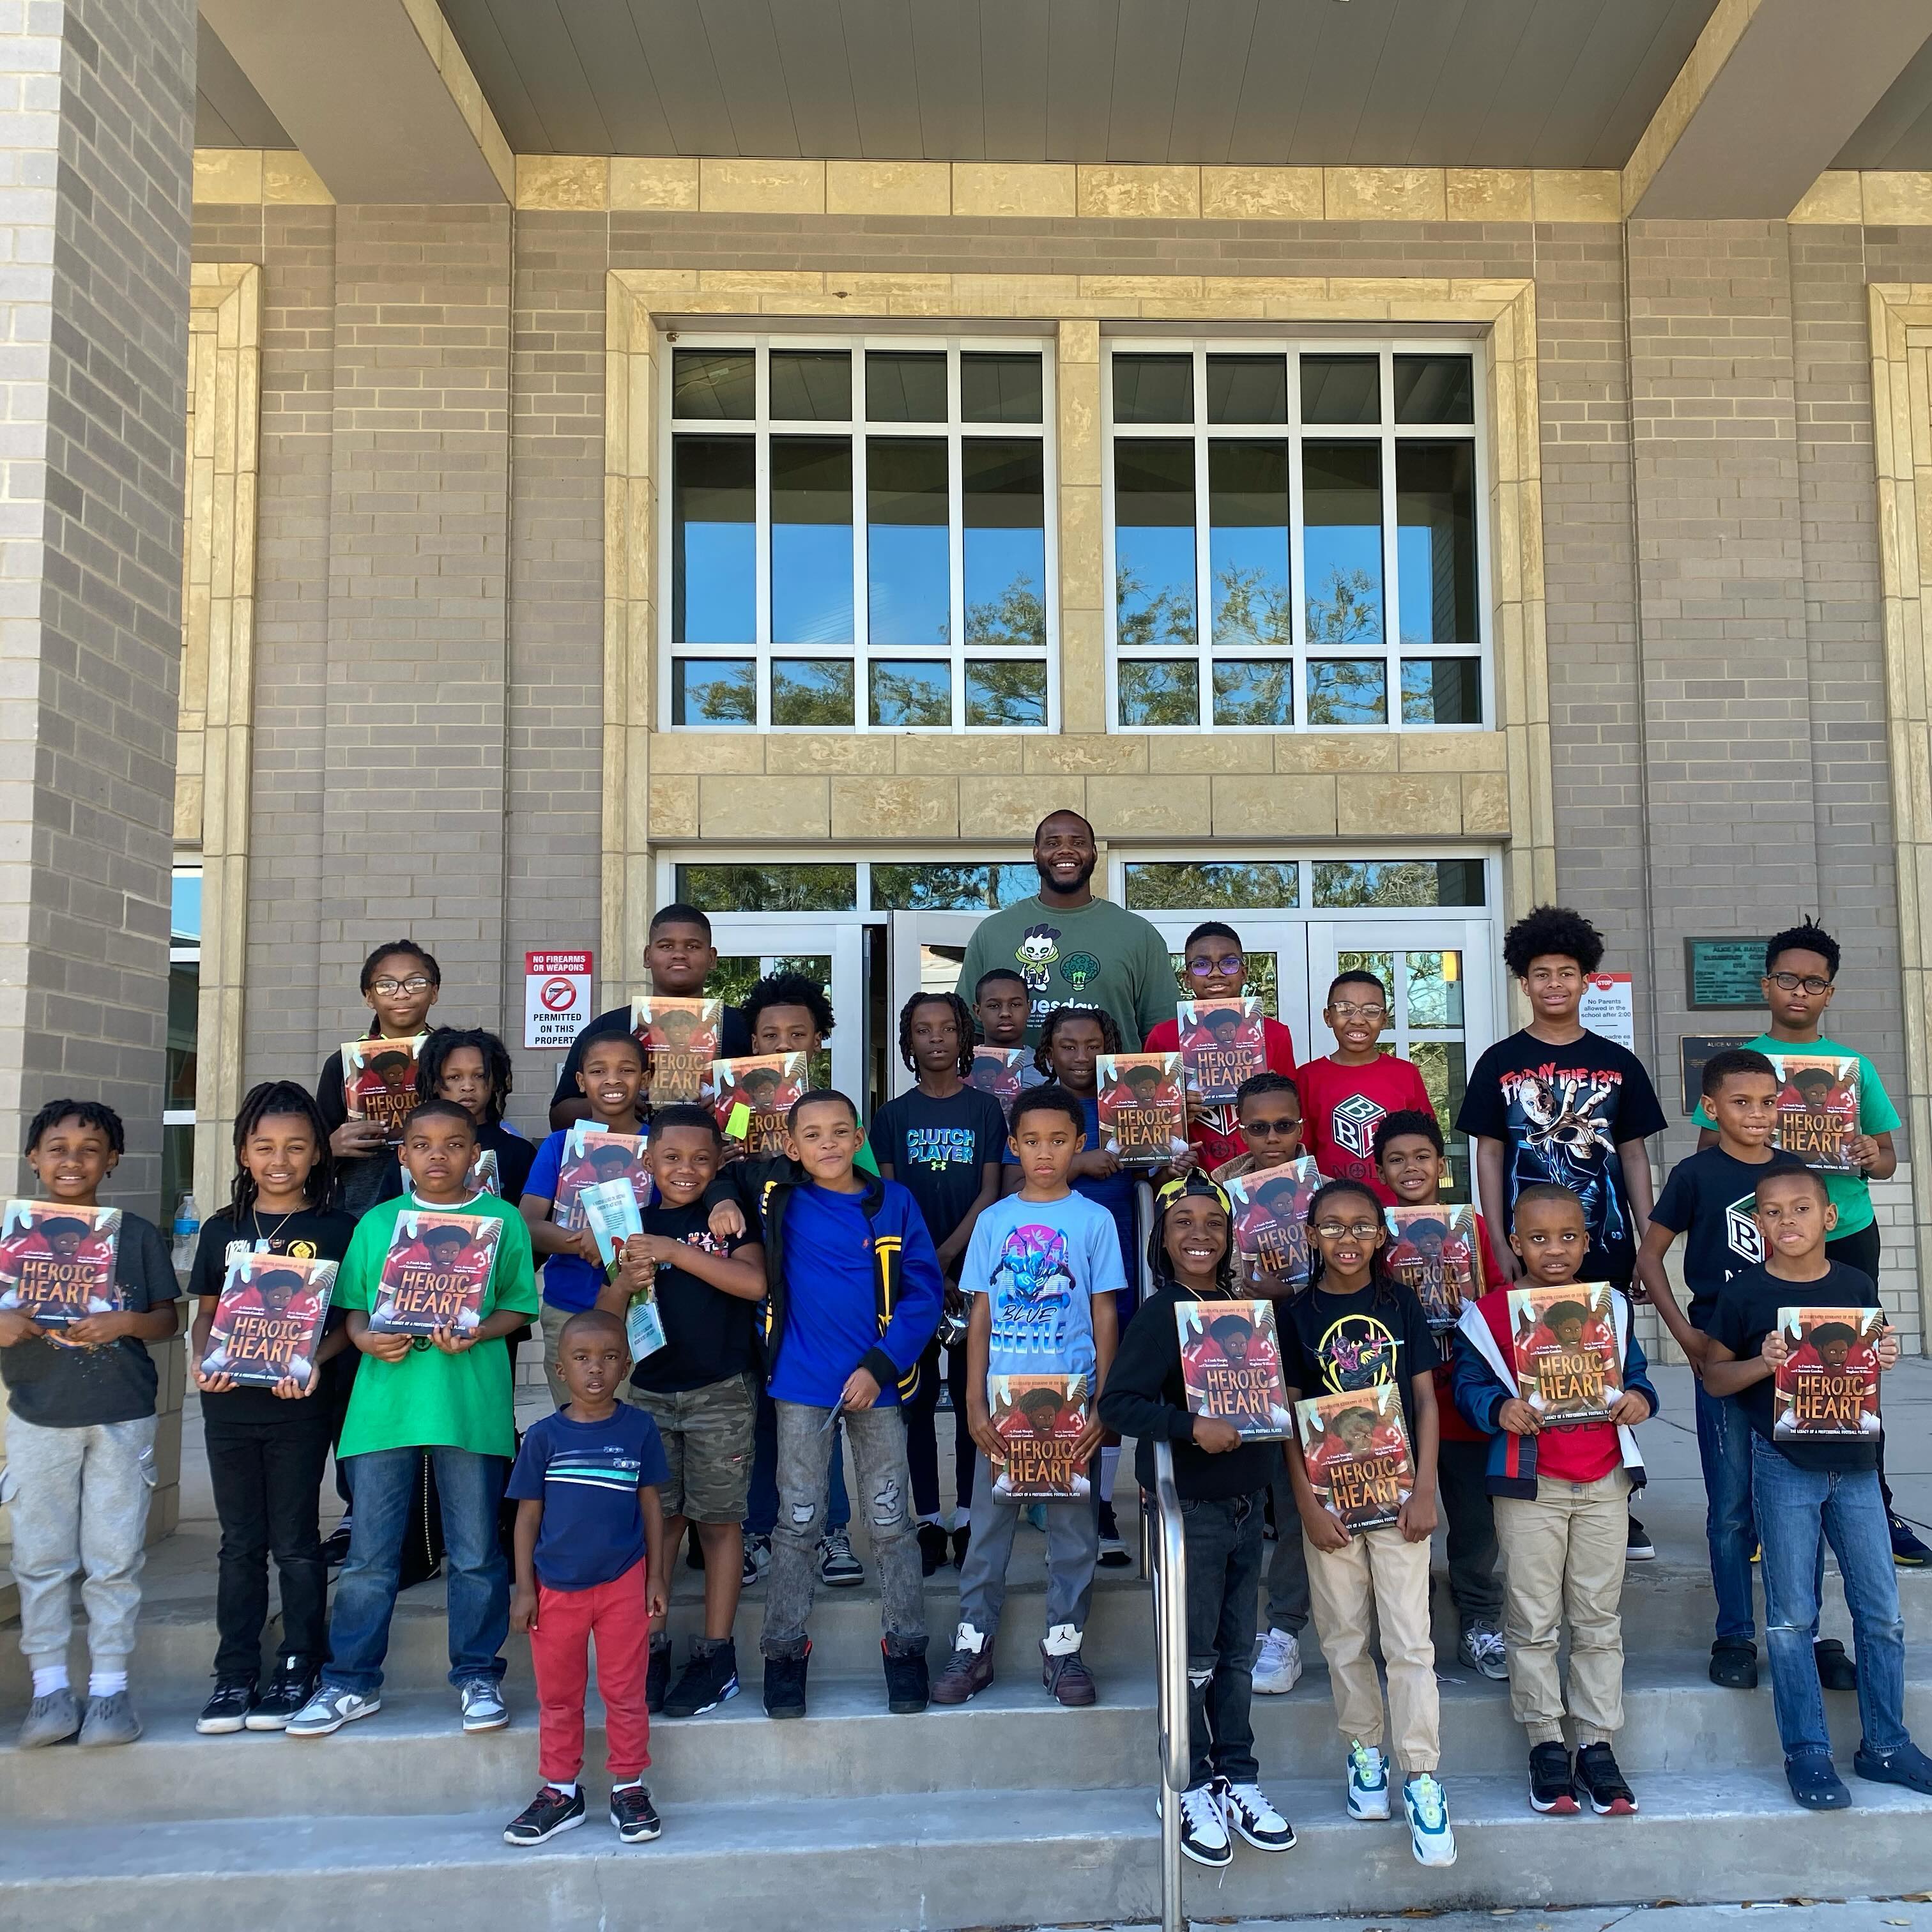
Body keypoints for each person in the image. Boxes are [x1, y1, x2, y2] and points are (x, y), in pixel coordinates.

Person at [288, 1101, 539, 1739]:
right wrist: (367, 1339)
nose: (437, 1155)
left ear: (472, 1156)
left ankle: (478, 1674)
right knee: (372, 1556)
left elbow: (517, 1307)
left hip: (469, 1409)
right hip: (384, 1410)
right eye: (422, 1144)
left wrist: (482, 1329)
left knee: (478, 1552)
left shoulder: (502, 1220)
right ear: (402, 1155)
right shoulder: (377, 1223)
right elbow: (351, 1312)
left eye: (453, 1144)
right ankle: (350, 1681)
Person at [1688, 922, 1927, 1568]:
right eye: (1788, 978)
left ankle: (1874, 1506)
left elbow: (1888, 1161)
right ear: (1767, 985)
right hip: (1771, 1241)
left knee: (1851, 1372)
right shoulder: (1742, 1064)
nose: (1800, 990)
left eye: (1813, 982)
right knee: (1775, 1369)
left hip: (1845, 1233)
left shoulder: (1854, 1068)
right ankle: (1773, 1508)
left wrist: (1864, 1152)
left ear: (1830, 993)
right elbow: (1709, 1150)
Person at [1701, 1167, 1932, 1810]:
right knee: (1791, 1617)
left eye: (1801, 1209)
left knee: (1881, 1614)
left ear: (1829, 1219)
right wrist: (1763, 1362)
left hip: (1857, 1464)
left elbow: (1864, 1368)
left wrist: (1883, 1355)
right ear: (1759, 1225)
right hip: (1783, 1464)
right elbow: (1715, 1378)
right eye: (1772, 1213)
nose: (1787, 1222)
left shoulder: (1854, 1284)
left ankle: (1886, 1743)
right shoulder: (1746, 1294)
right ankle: (1807, 1751)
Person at [1455, 904, 1665, 1562]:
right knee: (1537, 1371)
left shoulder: (1617, 1063)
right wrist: (1493, 1237)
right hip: (1525, 1248)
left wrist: (1645, 1237)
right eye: (1541, 974)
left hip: (1601, 1245)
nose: (1554, 985)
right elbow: (1488, 1153)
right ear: (1525, 982)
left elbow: (1632, 1153)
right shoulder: (1501, 1061)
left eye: (1567, 973)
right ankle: (1538, 1489)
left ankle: (1615, 1499)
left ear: (1587, 981)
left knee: (1600, 1370)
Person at [1100, 1170, 1297, 1868]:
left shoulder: (1241, 1307)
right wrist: (1190, 1426)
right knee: (1193, 1659)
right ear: (1163, 1237)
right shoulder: (1163, 1313)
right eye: (1184, 1223)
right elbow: (1118, 1405)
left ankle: (1236, 1777)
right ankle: (1183, 1780)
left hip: (1248, 1508)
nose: (1200, 1235)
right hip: (1194, 1510)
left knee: (1237, 1657)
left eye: (1213, 1223)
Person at [1452, 1183, 1657, 1818]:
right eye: (1538, 1238)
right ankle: (1545, 1740)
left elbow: (1639, 1376)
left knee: (1598, 1620)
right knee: (1533, 1619)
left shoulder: (1611, 1309)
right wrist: (1497, 1406)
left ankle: (1596, 1743)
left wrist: (1641, 1400)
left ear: (1588, 1239)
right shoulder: (1488, 1316)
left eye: (1569, 1236)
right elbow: (1468, 1385)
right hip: (1530, 1486)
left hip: (1603, 1482)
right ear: (1515, 1243)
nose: (1555, 1250)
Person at [753, 1090, 943, 1721]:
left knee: (891, 1523)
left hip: (879, 1387)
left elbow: (923, 1292)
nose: (828, 1144)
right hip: (801, 1386)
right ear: (791, 1146)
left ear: (859, 1135)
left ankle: (905, 1646)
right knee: (799, 1522)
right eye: (813, 1135)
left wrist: (881, 1365)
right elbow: (717, 1173)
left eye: (841, 1132)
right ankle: (782, 1654)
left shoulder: (893, 1202)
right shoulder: (777, 1200)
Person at [1280, 1179, 1454, 1868]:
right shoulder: (1295, 1314)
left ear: (1382, 1236)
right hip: (1330, 1497)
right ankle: (1364, 1754)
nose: (1346, 1238)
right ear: (1311, 1236)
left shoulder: (1400, 1302)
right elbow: (1290, 1416)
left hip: (1399, 1492)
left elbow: (1425, 1401)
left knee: (1410, 1640)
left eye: (1360, 1226)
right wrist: (1305, 1501)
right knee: (1344, 1634)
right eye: (1331, 1226)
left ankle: (1423, 1775)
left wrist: (1426, 1489)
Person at [933, 1085, 1122, 1711]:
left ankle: (1064, 1648)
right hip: (1003, 1402)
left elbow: (1104, 1315)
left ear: (1079, 1144)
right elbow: (980, 1317)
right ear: (1013, 1146)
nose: (1046, 1153)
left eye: (1060, 1141)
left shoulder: (1094, 1221)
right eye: (1032, 1142)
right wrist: (973, 1402)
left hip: (1070, 1400)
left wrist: (1103, 1403)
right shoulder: (994, 1222)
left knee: (1072, 1534)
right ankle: (974, 1643)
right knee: (988, 1533)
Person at [4, 1100, 178, 1750]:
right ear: (33, 1158)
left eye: (89, 1148)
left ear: (112, 1160)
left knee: (113, 1558)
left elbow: (167, 1318)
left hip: (122, 1416)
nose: (72, 1160)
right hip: (38, 1415)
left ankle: (109, 1690)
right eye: (57, 1147)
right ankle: (49, 1688)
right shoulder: (10, 1236)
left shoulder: (132, 1235)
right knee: (41, 1557)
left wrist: (125, 1323)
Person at [1637, 1048, 1811, 1688]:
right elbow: (1650, 1257)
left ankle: (1808, 1631)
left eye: (1769, 1102)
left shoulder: (1795, 1171)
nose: (1758, 1115)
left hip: (1796, 1360)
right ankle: (1734, 1634)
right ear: (1710, 1108)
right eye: (1742, 1103)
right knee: (1732, 1505)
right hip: (1723, 1356)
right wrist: (1684, 1334)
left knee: (1801, 1501)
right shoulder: (1695, 1174)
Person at [187, 1083, 356, 1735]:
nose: (279, 1160)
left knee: (294, 1542)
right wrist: (207, 1360)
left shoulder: (335, 1229)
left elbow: (346, 1320)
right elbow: (205, 1317)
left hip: (298, 1407)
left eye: (295, 1146)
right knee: (239, 1545)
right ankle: (234, 1674)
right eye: (264, 1147)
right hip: (229, 1407)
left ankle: (299, 1662)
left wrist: (318, 1361)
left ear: (319, 1153)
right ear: (243, 1152)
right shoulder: (221, 1230)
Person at [594, 1103, 765, 1721]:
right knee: (659, 1523)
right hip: (650, 1395)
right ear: (647, 1161)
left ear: (719, 1161)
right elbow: (607, 1315)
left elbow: (752, 1285)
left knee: (718, 1523)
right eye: (670, 1158)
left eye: (700, 1158)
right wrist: (628, 1274)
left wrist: (674, 1250)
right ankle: (652, 1646)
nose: (685, 1169)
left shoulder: (727, 1217)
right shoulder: (629, 1225)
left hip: (722, 1389)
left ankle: (716, 1656)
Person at [708, 969, 870, 1591]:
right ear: (751, 1041)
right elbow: (715, 1179)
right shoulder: (736, 1113)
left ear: (819, 1042)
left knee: (818, 1419)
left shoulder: (830, 1121)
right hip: (749, 1294)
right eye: (769, 1033)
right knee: (757, 1419)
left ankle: (831, 1532)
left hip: (815, 1304)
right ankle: (758, 1533)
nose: (782, 1042)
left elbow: (863, 1191)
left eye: (796, 1034)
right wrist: (728, 1177)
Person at [503, 1308, 671, 1848]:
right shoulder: (543, 1438)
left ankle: (629, 1786)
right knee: (559, 1696)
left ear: (625, 1366)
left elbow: (651, 1507)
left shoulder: (639, 1429)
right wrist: (526, 1589)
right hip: (556, 1588)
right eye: (581, 1359)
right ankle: (561, 1791)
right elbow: (527, 1517)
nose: (594, 1369)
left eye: (607, 1358)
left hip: (624, 1582)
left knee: (624, 1692)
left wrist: (655, 1578)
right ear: (559, 1369)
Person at [1372, 1108, 1510, 1684]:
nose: (1411, 1168)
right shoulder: (1370, 1229)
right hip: (1394, 1406)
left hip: (1463, 1400)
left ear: (1442, 1164)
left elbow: (1503, 1302)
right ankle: (1409, 1630)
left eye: (1422, 1157)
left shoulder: (1472, 1228)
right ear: (1379, 1168)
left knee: (1475, 1523)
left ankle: (1481, 1621)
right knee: (1397, 1528)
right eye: (1397, 1159)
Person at [872, 991, 1007, 1573]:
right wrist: (929, 1268)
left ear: (963, 1038)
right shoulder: (892, 1117)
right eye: (923, 1030)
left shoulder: (984, 1111)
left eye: (946, 1029)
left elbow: (992, 1192)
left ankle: (973, 1517)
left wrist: (952, 1257)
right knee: (918, 1402)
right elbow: (891, 1199)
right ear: (909, 1041)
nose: (935, 1039)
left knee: (974, 1397)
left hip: (975, 1275)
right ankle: (927, 1519)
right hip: (913, 1283)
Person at [1003, 1004, 1138, 1567]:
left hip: (1115, 1257)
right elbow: (1007, 1181)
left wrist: (1174, 1146)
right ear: (1048, 1052)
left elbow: (1153, 1167)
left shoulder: (1128, 1100)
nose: (1081, 1057)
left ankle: (1100, 1501)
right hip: (1046, 1269)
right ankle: (1046, 1489)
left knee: (1109, 1376)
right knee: (1053, 1379)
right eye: (1067, 1046)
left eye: (1092, 1045)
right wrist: (1079, 1163)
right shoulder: (1037, 1111)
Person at [1207, 1070, 1315, 1697]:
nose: (1272, 1139)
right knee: (1241, 1502)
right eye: (1258, 1127)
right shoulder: (1220, 1189)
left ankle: (1286, 1629)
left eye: (1283, 1126)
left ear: (1300, 1126)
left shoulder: (1325, 1191)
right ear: (1238, 1127)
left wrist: (1294, 1290)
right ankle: (1233, 1624)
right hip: (1240, 1370)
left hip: (1308, 1367)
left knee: (1298, 1503)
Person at [955, 809, 1178, 1048]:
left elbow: (1163, 1037)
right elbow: (968, 1031)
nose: (1065, 850)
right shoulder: (993, 932)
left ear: (1094, 853)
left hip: (1111, 1085)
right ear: (1036, 853)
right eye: (1052, 843)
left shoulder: (1138, 934)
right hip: (1016, 1084)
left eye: (1078, 842)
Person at [520, 1027, 648, 1409]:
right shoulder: (560, 1146)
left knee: (637, 1428)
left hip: (641, 1310)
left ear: (645, 1078)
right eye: (598, 1071)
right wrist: (585, 1241)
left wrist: (611, 1241)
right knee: (577, 1425)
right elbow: (527, 1225)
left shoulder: (660, 1147)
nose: (612, 1079)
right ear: (580, 1081)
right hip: (569, 1307)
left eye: (626, 1070)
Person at [548, 903, 752, 1130]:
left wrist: (732, 1110)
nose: (679, 955)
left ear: (712, 958)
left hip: (717, 1162)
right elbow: (558, 1117)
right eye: (666, 946)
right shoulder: (607, 1028)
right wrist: (611, 1100)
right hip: (627, 1161)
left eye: (693, 946)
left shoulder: (742, 1026)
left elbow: (771, 1115)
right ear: (647, 956)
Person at [1142, 923, 1298, 1173]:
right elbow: (1147, 1116)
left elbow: (1293, 1113)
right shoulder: (1163, 1036)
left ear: (1244, 973)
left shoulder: (1275, 1034)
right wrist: (1174, 1107)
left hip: (1259, 1172)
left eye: (1229, 963)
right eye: (1202, 964)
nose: (1216, 973)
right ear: (1186, 978)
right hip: (1190, 1176)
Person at [315, 939, 443, 1216]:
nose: (401, 994)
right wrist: (329, 1147)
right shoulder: (343, 1065)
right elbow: (314, 1150)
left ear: (434, 992)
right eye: (386, 985)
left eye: (416, 983)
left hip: (445, 1207)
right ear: (368, 996)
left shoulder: (455, 1058)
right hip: (363, 1211)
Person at [1295, 971, 1434, 1203]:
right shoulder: (1308, 1077)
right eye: (1345, 1009)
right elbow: (1301, 1153)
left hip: (1395, 1209)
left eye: (1370, 1011)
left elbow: (1426, 1145)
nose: (1358, 1020)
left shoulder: (1405, 1074)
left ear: (1384, 1019)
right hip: (1332, 1209)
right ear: (1328, 1017)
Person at [379, 1026, 536, 1205]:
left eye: (479, 1076)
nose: (468, 1086)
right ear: (435, 1084)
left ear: (495, 1082)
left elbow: (527, 1222)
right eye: (454, 1077)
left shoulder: (520, 1152)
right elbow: (386, 1217)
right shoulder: (413, 1151)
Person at [972, 967, 1048, 1097]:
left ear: (1029, 1009)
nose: (1005, 1013)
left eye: (1015, 1004)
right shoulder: (964, 1067)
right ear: (978, 1012)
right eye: (994, 1006)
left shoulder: (1049, 1070)